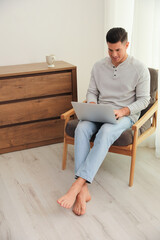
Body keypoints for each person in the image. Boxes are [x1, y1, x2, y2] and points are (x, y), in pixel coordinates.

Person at [57, 27, 150, 216]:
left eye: (118, 50)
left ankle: (77, 186)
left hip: (124, 115)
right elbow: (92, 91)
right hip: (100, 111)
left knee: (106, 131)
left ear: (127, 45)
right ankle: (83, 190)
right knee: (82, 127)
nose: (114, 55)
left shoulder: (139, 68)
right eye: (110, 50)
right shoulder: (99, 66)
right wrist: (92, 104)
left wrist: (123, 110)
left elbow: (144, 100)